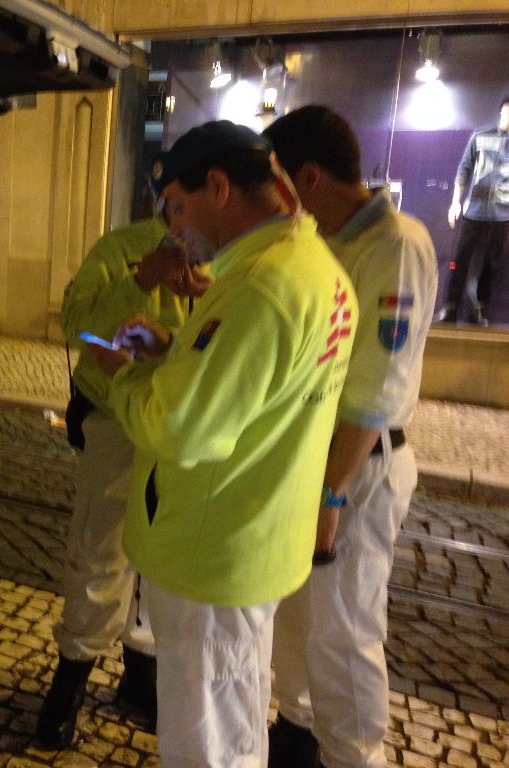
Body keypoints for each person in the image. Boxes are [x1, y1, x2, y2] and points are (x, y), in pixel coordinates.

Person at [85, 120, 358, 767]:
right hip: (254, 538)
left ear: (218, 186)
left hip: (212, 556)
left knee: (205, 745)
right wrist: (175, 352)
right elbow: (257, 388)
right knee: (234, 720)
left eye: (178, 207)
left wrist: (121, 375)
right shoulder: (310, 264)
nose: (174, 229)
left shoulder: (258, 286)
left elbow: (179, 429)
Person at [263, 106, 437, 768]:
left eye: (278, 180)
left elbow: (377, 391)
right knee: (299, 618)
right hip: (313, 457)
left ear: (308, 176)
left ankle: (355, 757)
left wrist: (330, 496)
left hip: (357, 469)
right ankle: (297, 732)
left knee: (344, 630)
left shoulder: (396, 245)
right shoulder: (325, 237)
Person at [36, 161, 209, 748]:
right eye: (182, 201)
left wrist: (175, 336)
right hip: (115, 418)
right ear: (166, 199)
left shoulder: (228, 261)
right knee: (99, 550)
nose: (190, 217)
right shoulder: (121, 249)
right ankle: (71, 679)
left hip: (183, 430)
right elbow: (76, 325)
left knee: (163, 556)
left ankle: (143, 673)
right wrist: (140, 281)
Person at [444, 96, 509, 325]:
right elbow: (464, 169)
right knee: (460, 259)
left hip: (504, 214)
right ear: (501, 111)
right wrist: (455, 202)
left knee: (493, 262)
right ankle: (451, 307)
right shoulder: (480, 136)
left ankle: (479, 308)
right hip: (475, 210)